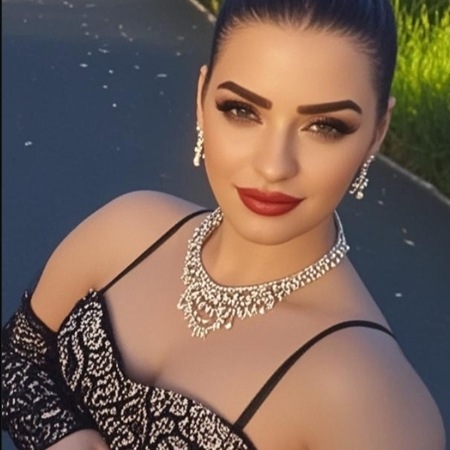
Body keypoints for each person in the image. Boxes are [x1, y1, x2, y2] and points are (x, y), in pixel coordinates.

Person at [2, 0, 446, 448]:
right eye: (242, 110)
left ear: (377, 132)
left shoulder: (370, 396)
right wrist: (65, 436)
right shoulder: (125, 231)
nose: (274, 166)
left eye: (324, 126)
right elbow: (17, 360)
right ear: (202, 98)